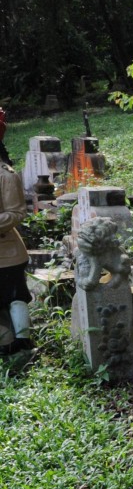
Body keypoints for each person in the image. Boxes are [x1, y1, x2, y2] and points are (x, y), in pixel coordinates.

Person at [0, 106, 33, 354]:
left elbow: (17, 213)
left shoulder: (5, 176)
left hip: (8, 253)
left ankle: (23, 342)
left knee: (15, 297)